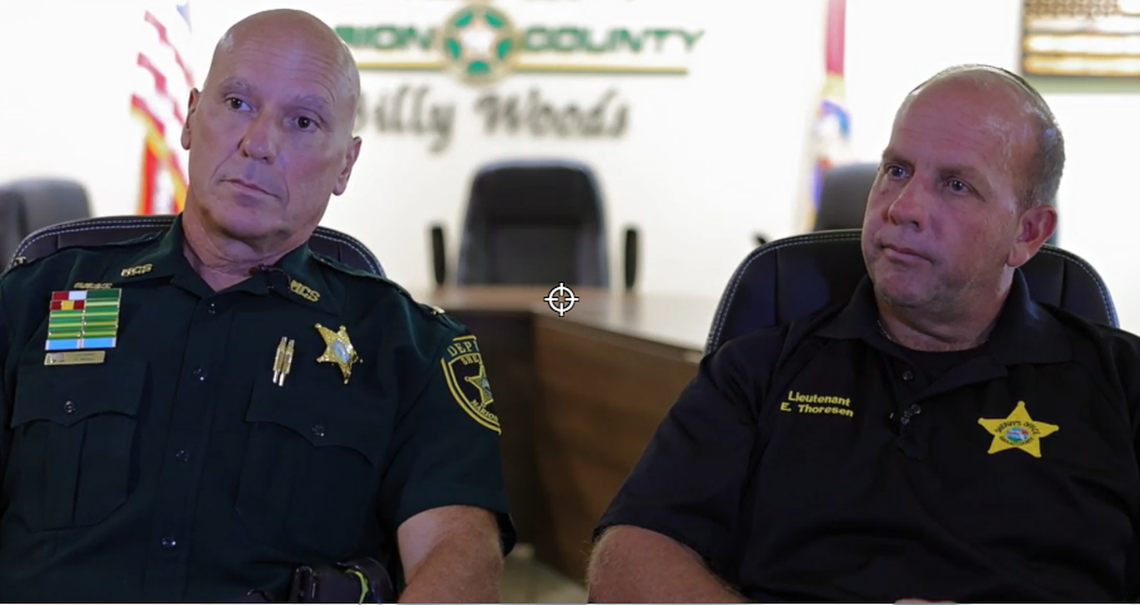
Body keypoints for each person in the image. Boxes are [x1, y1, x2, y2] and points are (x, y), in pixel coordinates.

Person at [0, 9, 513, 602]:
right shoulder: (37, 301)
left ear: (345, 163)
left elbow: (460, 559)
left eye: (302, 120)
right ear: (192, 117)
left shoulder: (413, 350)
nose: (258, 143)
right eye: (238, 103)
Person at [588, 64, 1140, 602]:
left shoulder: (1122, 385)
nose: (904, 208)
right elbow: (627, 562)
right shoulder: (756, 372)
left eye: (955, 185)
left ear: (1027, 232)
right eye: (897, 170)